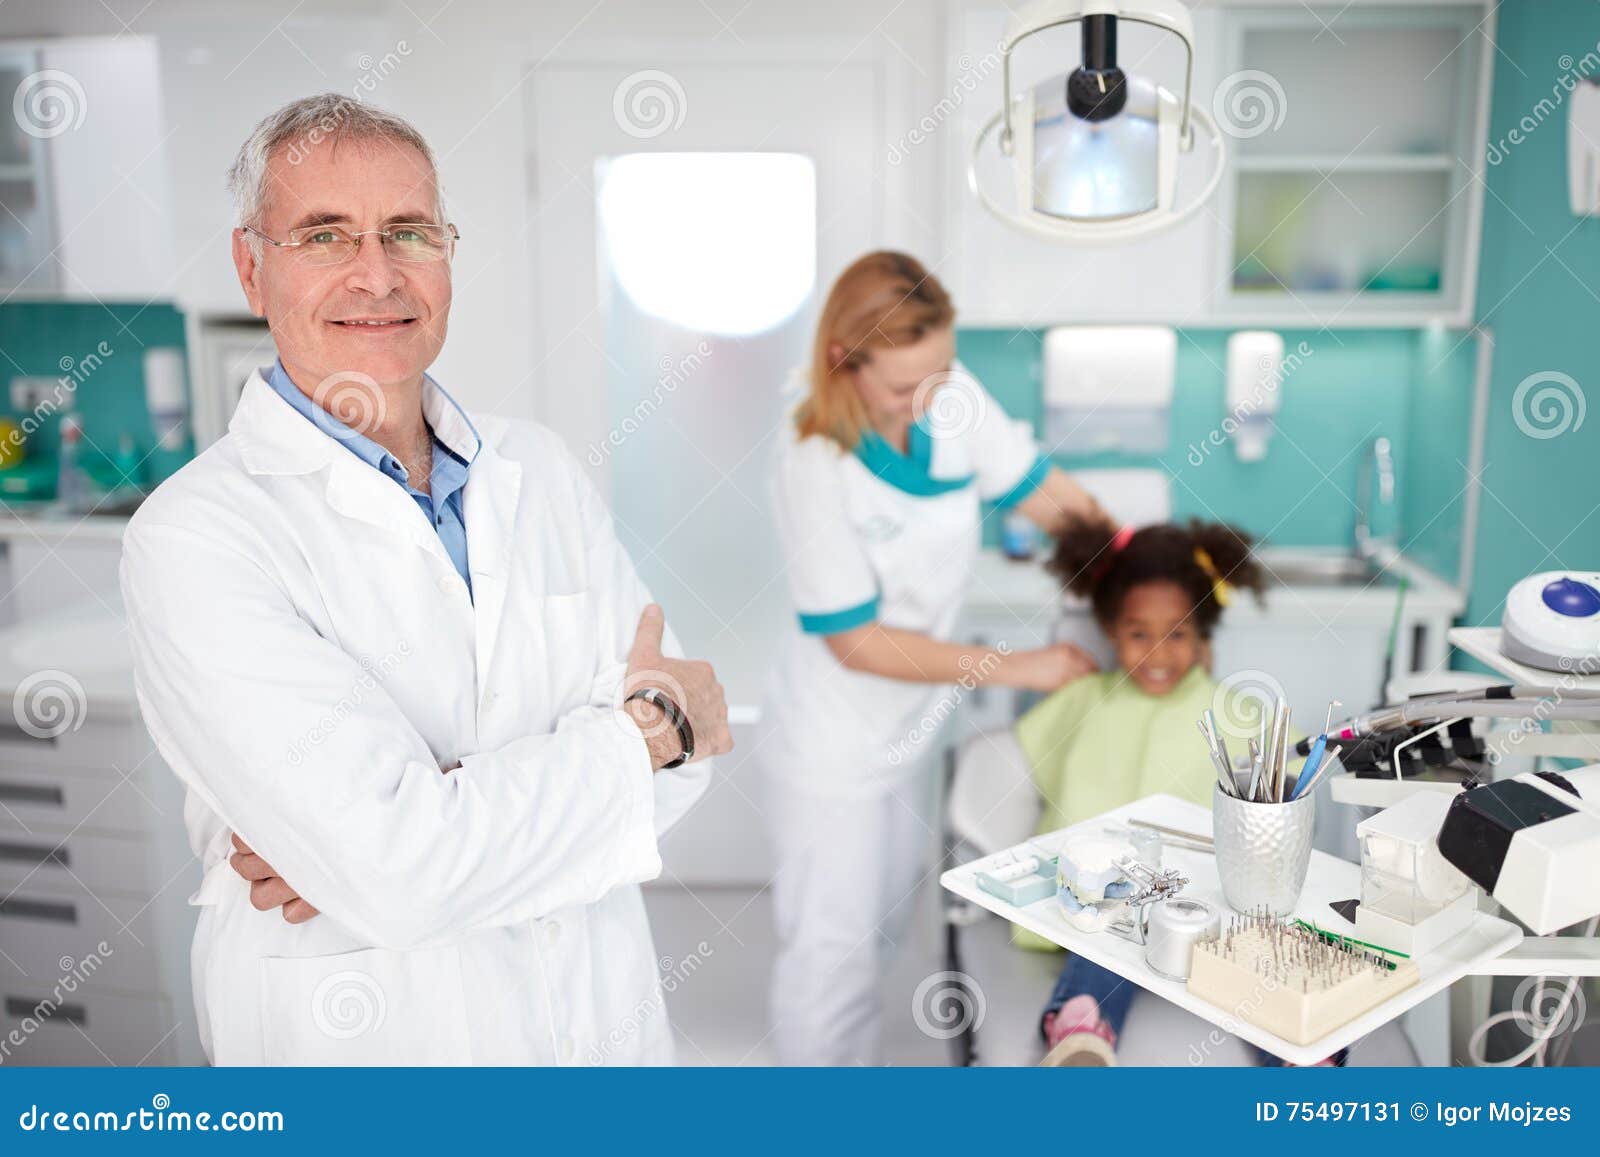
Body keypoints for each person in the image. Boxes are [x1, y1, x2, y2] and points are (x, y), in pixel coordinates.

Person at [119, 93, 731, 1066]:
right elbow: (402, 869)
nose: (377, 272)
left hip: (601, 1026)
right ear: (251, 265)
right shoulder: (197, 534)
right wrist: (638, 734)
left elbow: (695, 756)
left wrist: (409, 826)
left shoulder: (538, 470)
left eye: (408, 230)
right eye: (326, 235)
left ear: (448, 251)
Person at [758, 251, 1107, 1065]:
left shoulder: (948, 394)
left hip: (908, 731)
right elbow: (857, 641)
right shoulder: (812, 459)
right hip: (832, 744)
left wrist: (1134, 558)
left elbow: (1048, 495)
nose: (930, 396)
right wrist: (1021, 665)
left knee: (879, 938)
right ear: (845, 359)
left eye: (942, 371)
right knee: (829, 958)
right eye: (904, 382)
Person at [1014, 515, 1304, 1066]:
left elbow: (1282, 784)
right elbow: (1044, 777)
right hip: (1112, 906)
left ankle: (1299, 1056)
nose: (1158, 654)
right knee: (1102, 946)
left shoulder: (1233, 707)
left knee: (1256, 962)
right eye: (1138, 634)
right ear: (1109, 629)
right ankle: (1083, 1032)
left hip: (1210, 901)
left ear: (1201, 637)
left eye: (1178, 635)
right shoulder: (1086, 700)